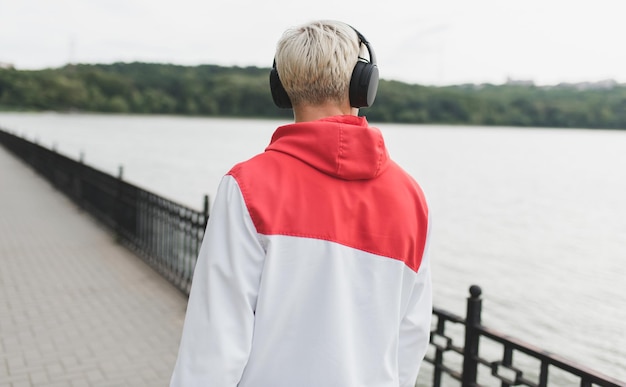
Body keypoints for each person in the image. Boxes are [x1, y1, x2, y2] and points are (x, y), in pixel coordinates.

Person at [170, 20, 432, 387]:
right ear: (364, 84)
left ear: (280, 86)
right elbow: (411, 337)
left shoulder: (247, 186)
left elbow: (216, 341)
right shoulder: (411, 198)